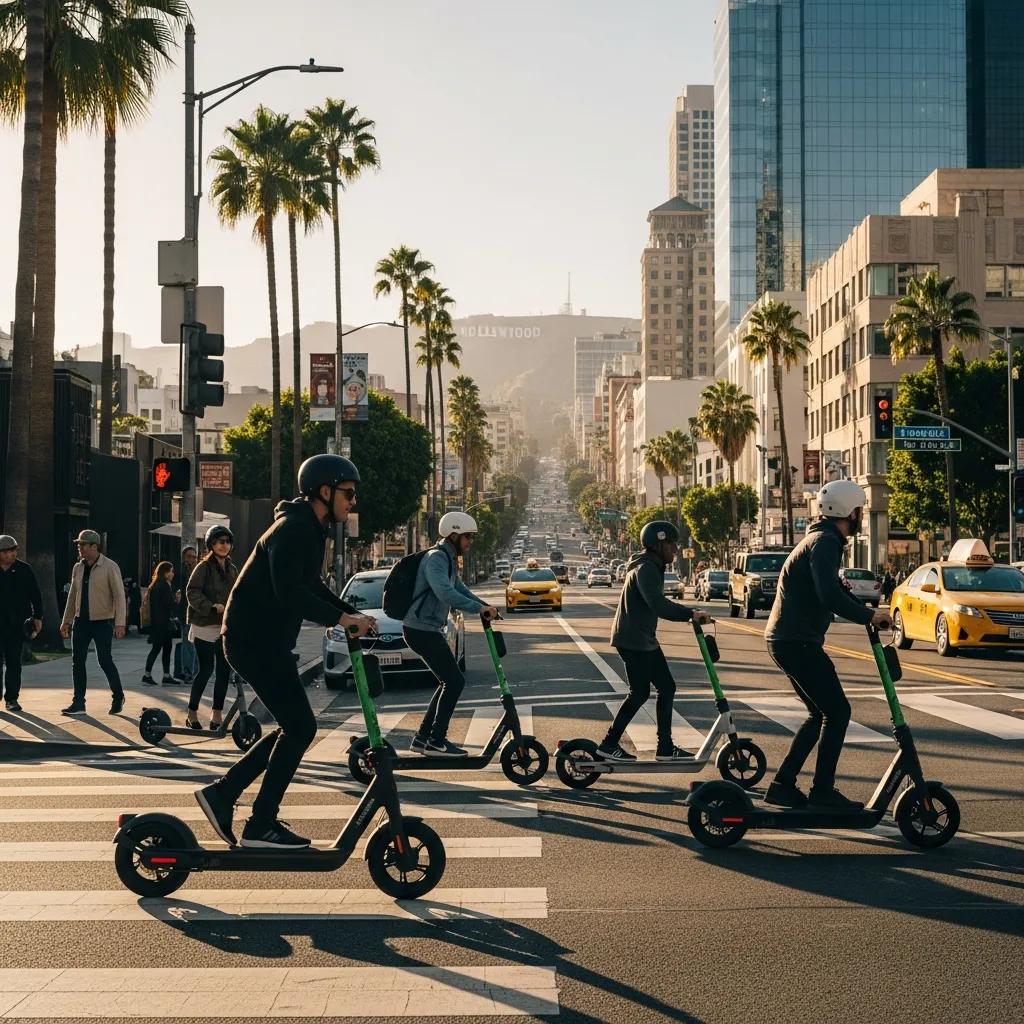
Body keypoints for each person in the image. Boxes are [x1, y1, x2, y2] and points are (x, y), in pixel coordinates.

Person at [194, 455, 374, 849]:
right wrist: (341, 620)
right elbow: (289, 593)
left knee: (295, 728)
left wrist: (348, 612)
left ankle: (224, 795)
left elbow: (310, 586)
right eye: (347, 493)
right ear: (324, 491)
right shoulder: (293, 529)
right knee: (301, 727)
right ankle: (258, 823)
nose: (351, 502)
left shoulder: (308, 528)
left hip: (264, 641)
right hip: (252, 641)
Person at [762, 480, 893, 811]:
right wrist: (868, 616)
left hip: (788, 639)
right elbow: (829, 595)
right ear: (849, 512)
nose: (861, 516)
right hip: (796, 641)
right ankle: (822, 791)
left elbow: (836, 589)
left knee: (819, 713)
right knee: (838, 712)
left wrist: (868, 611)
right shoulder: (825, 543)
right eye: (859, 511)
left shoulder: (819, 540)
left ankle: (782, 785)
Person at [595, 520, 712, 762]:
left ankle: (665, 747)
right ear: (658, 544)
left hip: (640, 638)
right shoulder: (646, 568)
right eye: (672, 543)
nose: (676, 549)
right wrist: (690, 614)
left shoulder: (650, 565)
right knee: (641, 693)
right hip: (634, 640)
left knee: (661, 688)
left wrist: (689, 614)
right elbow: (658, 605)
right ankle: (609, 743)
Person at [404, 512, 499, 757]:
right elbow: (445, 593)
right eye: (468, 537)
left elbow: (460, 589)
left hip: (426, 628)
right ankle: (437, 740)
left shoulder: (446, 558)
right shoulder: (436, 558)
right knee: (455, 681)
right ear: (454, 535)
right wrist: (479, 609)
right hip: (419, 629)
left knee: (448, 680)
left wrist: (485, 606)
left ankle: (423, 737)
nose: (470, 542)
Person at [59, 529, 127, 716]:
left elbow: (119, 596)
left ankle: (118, 695)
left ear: (94, 546)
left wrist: (120, 623)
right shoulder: (78, 568)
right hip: (81, 621)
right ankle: (78, 703)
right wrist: (66, 621)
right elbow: (73, 596)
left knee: (104, 660)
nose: (79, 548)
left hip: (102, 622)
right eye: (78, 544)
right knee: (77, 661)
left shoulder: (110, 567)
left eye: (82, 544)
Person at [185, 525, 238, 730]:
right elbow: (192, 592)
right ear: (211, 545)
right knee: (206, 670)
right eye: (219, 542)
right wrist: (210, 606)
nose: (224, 546)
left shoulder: (232, 569)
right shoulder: (203, 568)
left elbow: (237, 594)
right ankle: (191, 713)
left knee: (224, 671)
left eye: (226, 542)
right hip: (204, 625)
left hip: (223, 626)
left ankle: (217, 716)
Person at [0, 535, 43, 712]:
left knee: (13, 663)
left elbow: (36, 595)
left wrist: (38, 617)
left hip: (16, 625)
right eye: (6, 551)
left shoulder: (24, 570)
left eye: (13, 550)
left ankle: (11, 698)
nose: (11, 554)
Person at [140, 562, 176, 686]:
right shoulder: (164, 585)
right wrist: (176, 599)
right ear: (165, 572)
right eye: (171, 571)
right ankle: (151, 675)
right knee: (163, 649)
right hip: (163, 624)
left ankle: (155, 675)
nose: (172, 574)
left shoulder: (155, 585)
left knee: (159, 648)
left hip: (156, 622)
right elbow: (168, 604)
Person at [173, 546, 199, 683]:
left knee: (195, 644)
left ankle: (194, 672)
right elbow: (176, 591)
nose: (192, 559)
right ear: (184, 557)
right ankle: (188, 673)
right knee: (188, 644)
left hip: (198, 614)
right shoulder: (179, 571)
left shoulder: (198, 570)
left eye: (194, 557)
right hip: (186, 614)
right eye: (189, 556)